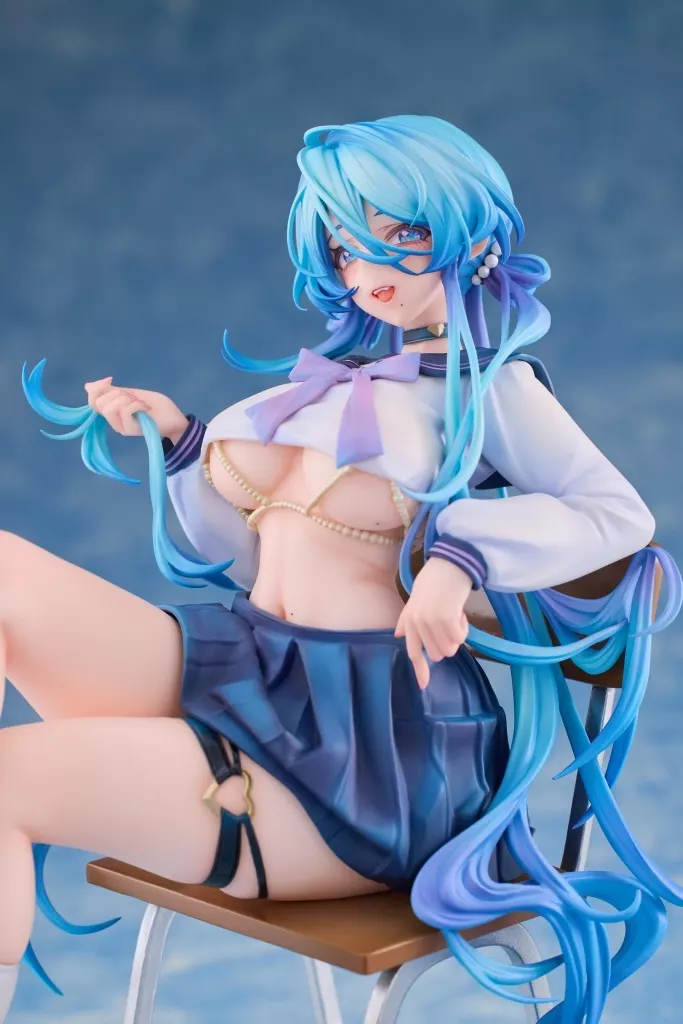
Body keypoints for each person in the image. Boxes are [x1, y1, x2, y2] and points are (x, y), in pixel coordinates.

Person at [9, 115, 681, 1022]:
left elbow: (616, 515)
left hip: (361, 748)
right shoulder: (335, 382)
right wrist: (179, 443)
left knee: (7, 781)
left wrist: (459, 556)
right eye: (345, 244)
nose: (368, 268)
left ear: (470, 237)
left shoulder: (492, 390)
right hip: (249, 665)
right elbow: (244, 556)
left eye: (400, 235)